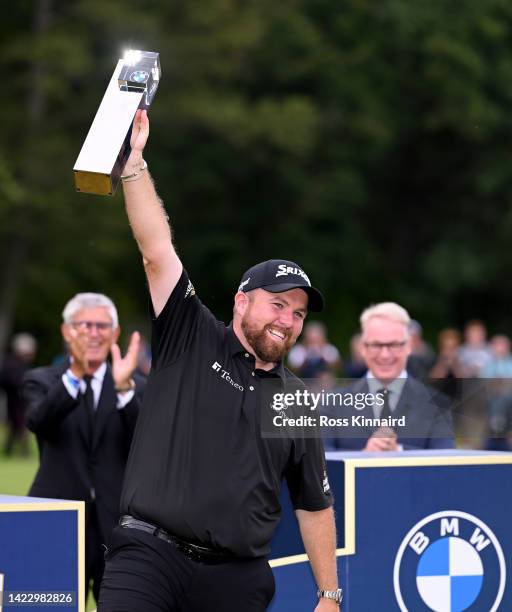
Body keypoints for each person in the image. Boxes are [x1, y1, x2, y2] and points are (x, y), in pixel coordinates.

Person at [98, 110, 341, 612]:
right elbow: (156, 251)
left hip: (236, 580)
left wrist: (330, 595)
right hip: (149, 557)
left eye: (297, 313)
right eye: (278, 303)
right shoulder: (191, 333)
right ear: (242, 300)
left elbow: (314, 505)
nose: (288, 320)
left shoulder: (296, 401)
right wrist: (134, 164)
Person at [24, 293, 145, 604]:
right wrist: (75, 374)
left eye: (102, 326)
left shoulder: (137, 385)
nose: (93, 333)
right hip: (56, 525)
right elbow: (39, 421)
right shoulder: (42, 380)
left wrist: (123, 389)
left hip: (119, 529)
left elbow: (146, 444)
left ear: (115, 334)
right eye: (84, 325)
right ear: (66, 331)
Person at [323, 302, 454, 452]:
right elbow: (319, 465)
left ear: (409, 347)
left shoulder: (438, 404)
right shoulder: (332, 404)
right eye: (377, 345)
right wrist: (363, 457)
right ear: (363, 348)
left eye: (393, 345)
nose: (385, 355)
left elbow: (445, 465)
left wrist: (399, 452)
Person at [0, 333, 37, 455]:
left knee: (17, 425)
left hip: (21, 400)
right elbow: (9, 381)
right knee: (19, 425)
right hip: (16, 400)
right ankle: (22, 450)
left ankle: (12, 450)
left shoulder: (18, 363)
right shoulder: (13, 363)